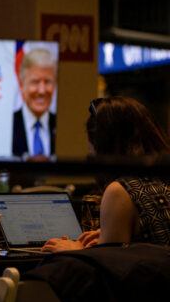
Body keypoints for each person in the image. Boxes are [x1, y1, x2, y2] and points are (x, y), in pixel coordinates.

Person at [43, 96, 170, 252]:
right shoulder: (162, 179)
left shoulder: (121, 190)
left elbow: (107, 271)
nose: (89, 151)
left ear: (101, 144)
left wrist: (76, 251)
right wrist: (108, 235)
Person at [12, 48, 57, 159]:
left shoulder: (62, 126)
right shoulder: (8, 125)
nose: (42, 91)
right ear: (22, 86)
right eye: (35, 82)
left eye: (47, 81)